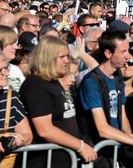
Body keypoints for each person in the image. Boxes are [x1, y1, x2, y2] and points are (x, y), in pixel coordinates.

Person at [78, 29, 133, 163]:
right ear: (108, 53)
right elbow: (102, 129)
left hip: (117, 150)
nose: (128, 56)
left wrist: (129, 137)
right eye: (123, 52)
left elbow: (122, 114)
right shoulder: (92, 82)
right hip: (97, 153)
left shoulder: (117, 76)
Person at [20, 36, 97, 167]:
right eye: (63, 57)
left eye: (67, 56)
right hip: (45, 161)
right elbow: (45, 130)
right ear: (48, 58)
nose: (67, 61)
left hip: (65, 159)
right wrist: (80, 146)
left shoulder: (54, 82)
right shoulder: (36, 85)